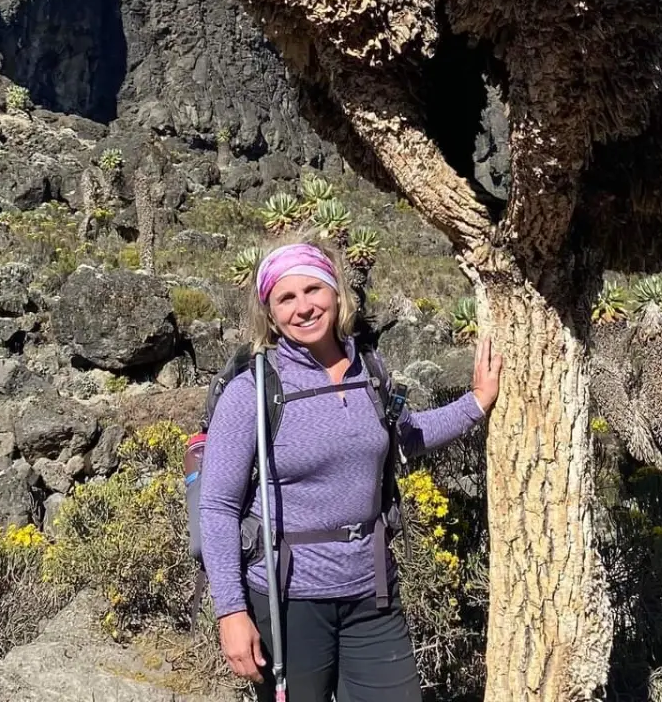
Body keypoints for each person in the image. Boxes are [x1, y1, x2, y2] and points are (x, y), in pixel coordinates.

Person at [200, 236, 502, 701]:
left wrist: (476, 404)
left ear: (336, 292)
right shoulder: (252, 392)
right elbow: (219, 506)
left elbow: (404, 436)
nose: (303, 307)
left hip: (372, 590)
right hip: (287, 599)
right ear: (270, 313)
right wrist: (230, 611)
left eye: (313, 290)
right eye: (286, 297)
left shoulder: (371, 371)